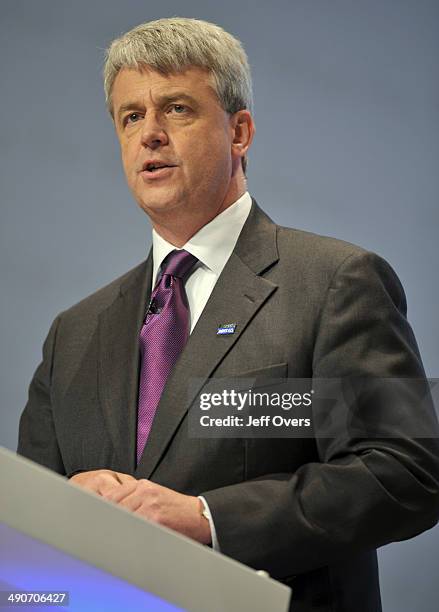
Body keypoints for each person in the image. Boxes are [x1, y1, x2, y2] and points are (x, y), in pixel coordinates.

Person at [18, 17, 439, 611]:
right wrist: (60, 508)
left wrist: (209, 518)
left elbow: (406, 471)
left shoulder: (335, 283)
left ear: (239, 131)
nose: (151, 135)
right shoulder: (73, 333)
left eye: (178, 109)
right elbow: (26, 561)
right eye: (131, 116)